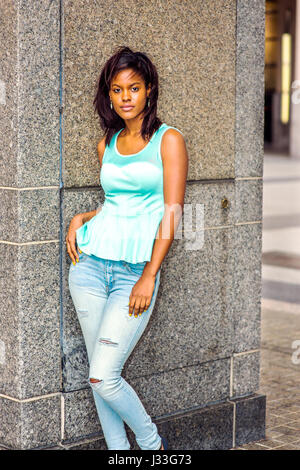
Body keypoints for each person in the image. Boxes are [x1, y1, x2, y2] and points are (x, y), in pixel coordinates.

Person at [66, 46, 188, 450]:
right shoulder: (109, 142)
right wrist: (83, 218)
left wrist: (148, 275)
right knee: (98, 378)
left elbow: (171, 211)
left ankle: (153, 446)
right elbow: (117, 203)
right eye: (117, 90)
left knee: (104, 374)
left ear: (149, 89)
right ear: (109, 94)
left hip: (134, 272)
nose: (126, 97)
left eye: (134, 88)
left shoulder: (169, 140)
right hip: (89, 266)